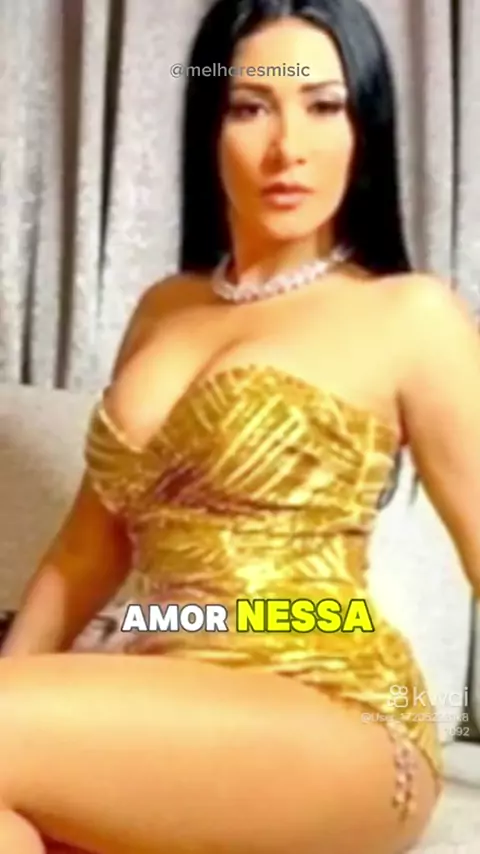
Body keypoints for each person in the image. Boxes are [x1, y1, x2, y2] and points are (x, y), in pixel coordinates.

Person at [1, 0, 479, 852]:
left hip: (336, 700)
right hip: (166, 688)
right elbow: (85, 550)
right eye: (252, 106)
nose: (288, 146)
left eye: (324, 106)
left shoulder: (410, 315)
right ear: (209, 124)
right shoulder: (164, 310)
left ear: (364, 125)